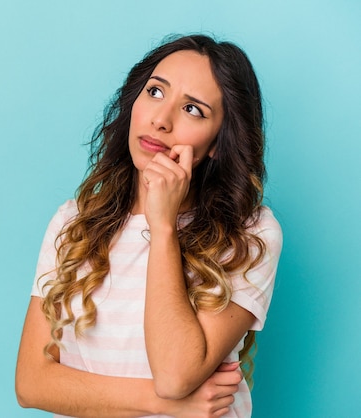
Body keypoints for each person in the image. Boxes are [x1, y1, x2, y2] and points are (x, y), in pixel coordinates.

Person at [15, 34, 282, 418]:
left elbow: (176, 375)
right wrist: (164, 403)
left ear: (218, 144)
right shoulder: (73, 223)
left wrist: (163, 226)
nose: (161, 120)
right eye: (155, 92)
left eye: (193, 109)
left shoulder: (251, 235)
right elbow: (31, 384)